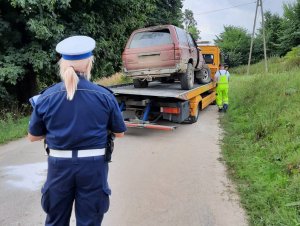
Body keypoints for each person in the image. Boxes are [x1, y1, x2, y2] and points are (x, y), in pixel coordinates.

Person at [28, 35, 127, 226]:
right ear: (90, 63)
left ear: (63, 64)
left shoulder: (46, 97)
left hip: (58, 167)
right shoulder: (104, 96)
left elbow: (33, 136)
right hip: (93, 167)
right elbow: (120, 132)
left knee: (55, 221)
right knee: (89, 221)